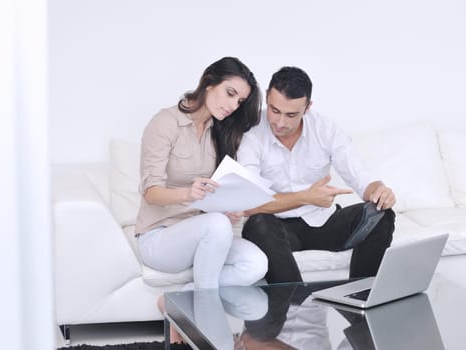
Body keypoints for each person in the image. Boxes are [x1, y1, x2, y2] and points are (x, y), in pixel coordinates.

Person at [134, 57, 268, 341]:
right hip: (159, 238)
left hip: (203, 236)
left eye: (240, 101)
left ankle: (179, 301)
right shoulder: (165, 122)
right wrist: (188, 193)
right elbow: (150, 192)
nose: (233, 106)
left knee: (256, 263)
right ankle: (210, 334)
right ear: (209, 82)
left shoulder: (219, 133)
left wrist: (226, 208)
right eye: (230, 93)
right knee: (216, 225)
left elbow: (212, 198)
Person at [236, 66, 396, 283]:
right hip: (277, 227)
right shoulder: (252, 132)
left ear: (307, 107)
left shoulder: (325, 129)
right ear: (267, 97)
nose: (280, 122)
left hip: (323, 222)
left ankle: (359, 298)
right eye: (274, 110)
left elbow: (360, 177)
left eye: (291, 114)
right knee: (258, 224)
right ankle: (295, 303)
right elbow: (249, 202)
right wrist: (305, 197)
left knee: (381, 214)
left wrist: (379, 190)